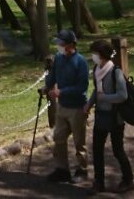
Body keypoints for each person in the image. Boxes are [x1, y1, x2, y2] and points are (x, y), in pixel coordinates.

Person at [84, 40, 134, 194]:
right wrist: (89, 105)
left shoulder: (115, 72)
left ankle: (128, 179)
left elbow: (122, 95)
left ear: (102, 55)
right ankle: (99, 182)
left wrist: (104, 98)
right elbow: (96, 91)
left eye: (95, 53)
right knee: (97, 149)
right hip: (101, 116)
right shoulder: (97, 69)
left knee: (117, 150)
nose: (93, 56)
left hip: (115, 118)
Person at [45, 29, 89, 183]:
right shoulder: (58, 58)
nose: (59, 46)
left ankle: (82, 170)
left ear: (71, 45)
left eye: (62, 44)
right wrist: (47, 87)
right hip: (62, 107)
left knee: (79, 142)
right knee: (58, 138)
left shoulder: (81, 61)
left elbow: (82, 87)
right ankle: (62, 169)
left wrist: (61, 92)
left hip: (77, 107)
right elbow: (53, 76)